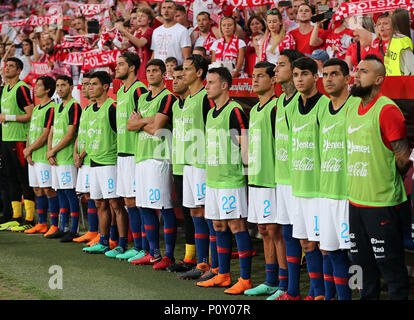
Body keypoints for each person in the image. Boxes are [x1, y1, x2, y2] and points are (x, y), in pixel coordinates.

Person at [347, 54, 410, 299]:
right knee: (360, 269)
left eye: (363, 71)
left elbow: (403, 158)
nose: (356, 74)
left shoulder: (387, 110)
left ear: (378, 79)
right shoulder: (353, 106)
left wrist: (382, 177)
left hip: (382, 204)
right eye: (357, 70)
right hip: (355, 202)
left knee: (391, 267)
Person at [196, 67, 253, 295]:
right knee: (218, 225)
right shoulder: (211, 113)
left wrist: (246, 168)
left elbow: (245, 142)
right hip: (213, 179)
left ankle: (246, 278)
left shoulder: (235, 110)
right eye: (206, 82)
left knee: (236, 226)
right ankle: (223, 274)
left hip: (231, 180)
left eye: (211, 82)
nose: (207, 86)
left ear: (224, 85)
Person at [127, 59, 178, 270]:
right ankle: (153, 253)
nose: (150, 74)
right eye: (148, 70)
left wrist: (142, 122)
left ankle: (169, 255)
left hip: (160, 158)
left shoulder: (168, 97)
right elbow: (130, 125)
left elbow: (158, 129)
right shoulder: (142, 98)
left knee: (164, 207)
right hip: (141, 158)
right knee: (145, 205)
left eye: (155, 70)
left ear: (164, 74)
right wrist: (145, 121)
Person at [243, 61, 288, 299]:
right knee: (263, 229)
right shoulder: (256, 109)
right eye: (253, 75)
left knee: (275, 230)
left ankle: (283, 284)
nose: (255, 79)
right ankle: (270, 280)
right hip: (257, 177)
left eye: (261, 76)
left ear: (273, 80)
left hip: (272, 179)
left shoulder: (276, 107)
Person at [174, 55, 219, 282]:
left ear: (199, 73)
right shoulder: (188, 98)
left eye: (188, 69)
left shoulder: (204, 98)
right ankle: (201, 263)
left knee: (206, 214)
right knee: (194, 213)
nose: (183, 73)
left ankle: (214, 265)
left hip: (202, 165)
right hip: (187, 165)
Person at [290, 56, 330, 300]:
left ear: (316, 76)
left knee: (324, 246)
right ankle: (315, 292)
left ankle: (326, 294)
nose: (299, 79)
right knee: (306, 243)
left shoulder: (325, 104)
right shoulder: (293, 104)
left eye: (304, 74)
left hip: (318, 188)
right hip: (298, 185)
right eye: (296, 75)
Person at [319, 58, 359, 300]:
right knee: (332, 251)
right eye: (325, 75)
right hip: (326, 192)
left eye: (334, 74)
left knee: (356, 254)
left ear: (347, 78)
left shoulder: (355, 106)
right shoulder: (322, 107)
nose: (329, 79)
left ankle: (363, 293)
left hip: (350, 193)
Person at [82, 71, 127, 256]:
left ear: (106, 87)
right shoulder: (90, 109)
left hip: (110, 163)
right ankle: (103, 240)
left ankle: (121, 243)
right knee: (99, 203)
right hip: (93, 162)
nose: (89, 87)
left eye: (94, 84)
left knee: (116, 205)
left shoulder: (112, 108)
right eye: (88, 84)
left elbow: (120, 135)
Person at [272, 49, 304, 300]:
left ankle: (315, 292)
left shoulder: (300, 102)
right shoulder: (278, 101)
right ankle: (289, 289)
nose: (275, 69)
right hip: (281, 178)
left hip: (300, 181)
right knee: (287, 234)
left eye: (281, 65)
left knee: (307, 240)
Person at [113, 52, 149, 262]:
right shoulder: (120, 92)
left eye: (121, 64)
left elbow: (143, 121)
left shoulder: (139, 90)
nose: (117, 67)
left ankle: (143, 247)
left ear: (133, 67)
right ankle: (136, 245)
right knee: (128, 200)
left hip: (137, 152)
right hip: (122, 152)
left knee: (138, 200)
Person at [167, 64, 197, 273]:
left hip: (197, 165)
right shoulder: (176, 105)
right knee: (187, 213)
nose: (176, 80)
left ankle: (205, 260)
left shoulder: (201, 99)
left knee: (199, 214)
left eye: (180, 76)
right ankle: (189, 257)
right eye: (174, 77)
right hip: (179, 164)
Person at [0, 57, 35, 232]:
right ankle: (15, 217)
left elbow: (30, 113)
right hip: (6, 139)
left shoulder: (22, 88)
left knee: (23, 178)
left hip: (19, 139)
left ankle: (29, 218)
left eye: (11, 66)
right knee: (11, 178)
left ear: (19, 70)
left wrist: (8, 118)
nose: (7, 69)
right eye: (6, 66)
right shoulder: (5, 88)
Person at [46, 75, 82, 242]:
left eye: (63, 85)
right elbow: (52, 132)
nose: (59, 88)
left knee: (69, 193)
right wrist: (49, 152)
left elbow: (70, 134)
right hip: (56, 158)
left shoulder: (75, 106)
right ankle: (63, 227)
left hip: (67, 158)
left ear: (71, 86)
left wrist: (52, 151)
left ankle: (73, 229)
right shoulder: (58, 106)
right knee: (60, 192)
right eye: (58, 85)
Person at [23, 76, 60, 236]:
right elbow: (31, 132)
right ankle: (42, 223)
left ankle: (55, 224)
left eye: (38, 85)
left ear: (47, 89)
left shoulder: (51, 108)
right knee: (37, 189)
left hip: (44, 157)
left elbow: (46, 134)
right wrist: (28, 150)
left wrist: (29, 149)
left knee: (48, 190)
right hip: (33, 156)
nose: (35, 88)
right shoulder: (37, 108)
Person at [72, 73, 100, 245]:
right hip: (82, 159)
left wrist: (81, 154)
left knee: (96, 197)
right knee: (88, 196)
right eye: (84, 84)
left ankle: (98, 232)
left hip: (92, 159)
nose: (86, 88)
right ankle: (92, 231)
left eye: (90, 84)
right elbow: (80, 134)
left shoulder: (99, 108)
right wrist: (75, 152)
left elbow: (95, 136)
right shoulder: (86, 109)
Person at [116, 7, 154, 81]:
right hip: (139, 68)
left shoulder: (150, 31)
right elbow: (122, 46)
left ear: (149, 20)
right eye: (138, 16)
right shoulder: (139, 33)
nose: (139, 18)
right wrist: (110, 38)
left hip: (147, 68)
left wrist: (124, 31)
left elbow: (140, 43)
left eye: (142, 16)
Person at [151, 0, 192, 65]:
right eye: (164, 8)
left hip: (175, 72)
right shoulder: (156, 31)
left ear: (175, 12)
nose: (166, 10)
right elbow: (154, 53)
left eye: (169, 8)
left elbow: (186, 57)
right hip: (158, 72)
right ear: (161, 11)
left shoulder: (183, 31)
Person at [384, 8, 414, 76]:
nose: (411, 21)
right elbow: (412, 67)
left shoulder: (392, 39)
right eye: (409, 20)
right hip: (403, 82)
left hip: (391, 80)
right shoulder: (404, 40)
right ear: (402, 22)